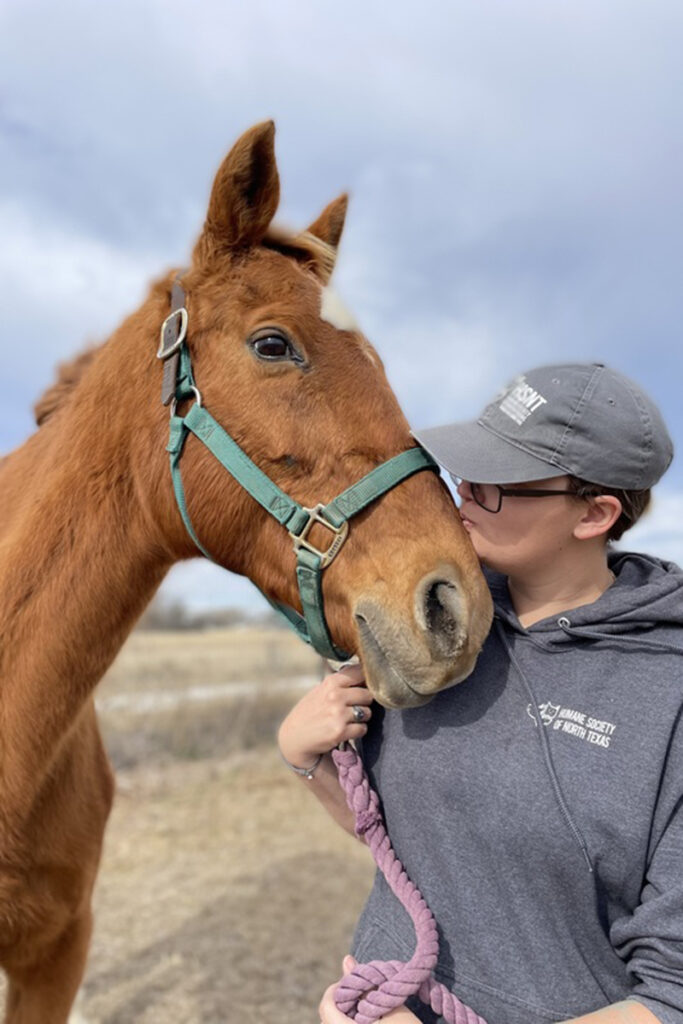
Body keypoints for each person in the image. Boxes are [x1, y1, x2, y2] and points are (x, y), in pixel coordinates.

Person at [278, 363, 683, 1024]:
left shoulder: (668, 692)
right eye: (466, 473)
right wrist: (305, 758)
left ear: (593, 513)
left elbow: (669, 996)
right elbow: (399, 837)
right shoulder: (441, 630)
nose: (464, 495)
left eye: (497, 485)